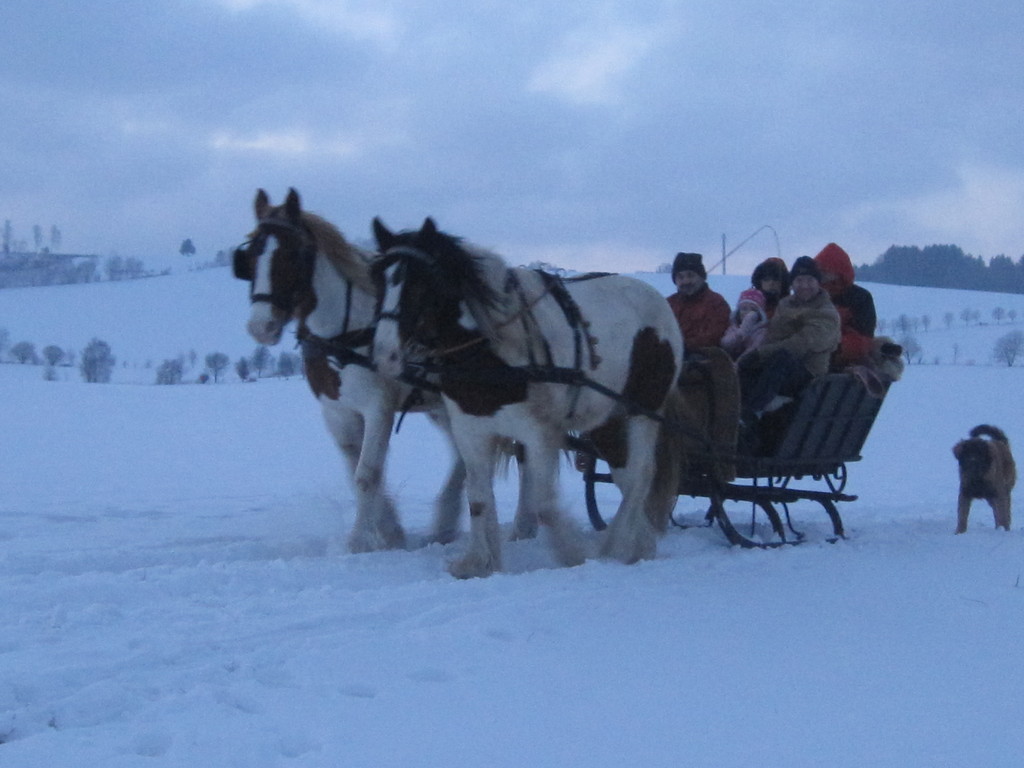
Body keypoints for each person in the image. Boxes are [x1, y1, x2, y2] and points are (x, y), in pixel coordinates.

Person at [737, 256, 840, 421]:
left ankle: (751, 414)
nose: (804, 286)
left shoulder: (826, 313)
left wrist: (760, 354)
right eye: (799, 280)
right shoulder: (785, 304)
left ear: (818, 282)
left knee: (782, 358)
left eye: (809, 280)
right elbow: (773, 336)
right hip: (776, 366)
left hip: (808, 372)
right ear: (792, 283)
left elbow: (800, 344)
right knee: (745, 367)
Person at [813, 242, 876, 369]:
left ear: (838, 271)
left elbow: (863, 336)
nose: (821, 275)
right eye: (818, 271)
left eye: (824, 270)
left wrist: (833, 347)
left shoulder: (860, 297)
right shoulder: (813, 294)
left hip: (843, 357)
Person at [666, 252, 730, 356]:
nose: (686, 281)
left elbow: (714, 336)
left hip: (703, 358)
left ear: (702, 277)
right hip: (670, 355)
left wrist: (682, 345)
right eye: (680, 277)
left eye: (690, 275)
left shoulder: (716, 303)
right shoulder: (668, 304)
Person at [721, 288, 768, 361]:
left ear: (759, 313)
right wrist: (742, 331)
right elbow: (726, 344)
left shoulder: (761, 332)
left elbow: (753, 351)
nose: (748, 313)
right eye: (744, 309)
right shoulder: (733, 327)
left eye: (753, 310)